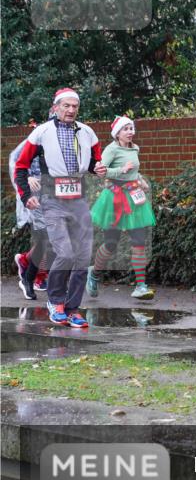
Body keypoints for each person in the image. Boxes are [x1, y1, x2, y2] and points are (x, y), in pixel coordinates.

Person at [13, 88, 106, 328]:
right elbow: (20, 166)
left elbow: (95, 162)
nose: (71, 110)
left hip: (79, 201)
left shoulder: (88, 133)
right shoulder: (41, 133)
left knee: (83, 258)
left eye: (74, 106)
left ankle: (73, 308)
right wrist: (25, 196)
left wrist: (98, 169)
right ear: (56, 107)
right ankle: (55, 302)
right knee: (64, 253)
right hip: (52, 201)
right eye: (66, 106)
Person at [86, 116, 157, 300]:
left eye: (131, 128)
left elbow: (135, 170)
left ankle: (141, 285)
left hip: (134, 197)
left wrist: (139, 179)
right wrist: (121, 171)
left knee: (139, 241)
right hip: (114, 198)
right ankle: (94, 274)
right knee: (111, 243)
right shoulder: (111, 149)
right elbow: (100, 171)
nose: (130, 131)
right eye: (125, 129)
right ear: (117, 133)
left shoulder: (135, 148)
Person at [9, 139, 50, 300]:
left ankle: (26, 261)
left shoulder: (67, 140)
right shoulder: (36, 139)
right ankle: (31, 277)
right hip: (36, 197)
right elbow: (15, 162)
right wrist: (27, 178)